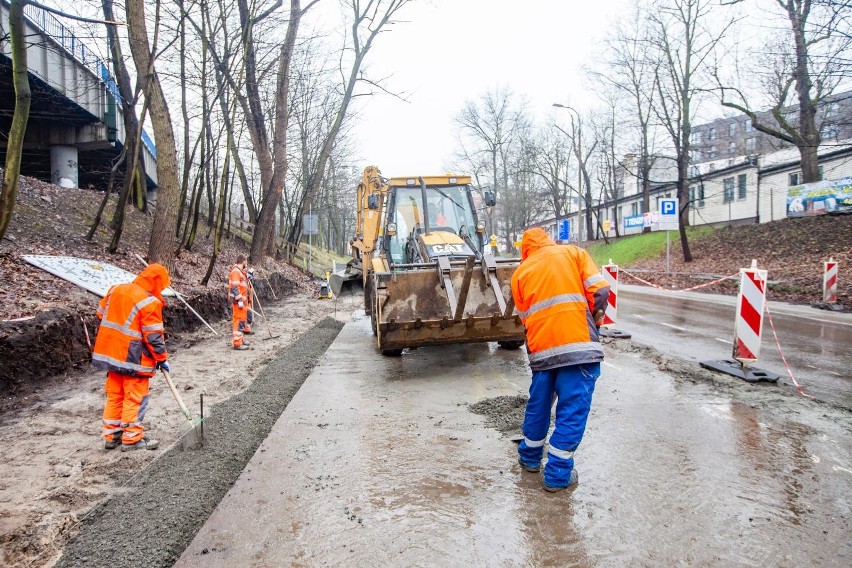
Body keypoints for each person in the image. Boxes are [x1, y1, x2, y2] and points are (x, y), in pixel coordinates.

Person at [510, 227, 610, 492]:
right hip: (578, 348)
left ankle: (529, 458)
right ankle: (556, 476)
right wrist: (592, 318)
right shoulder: (574, 254)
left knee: (538, 405)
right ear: (548, 240)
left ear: (525, 249)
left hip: (542, 352)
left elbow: (525, 317)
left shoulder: (520, 273)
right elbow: (600, 292)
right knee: (571, 411)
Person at [92, 263, 171, 451]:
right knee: (135, 397)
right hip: (133, 357)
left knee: (115, 395)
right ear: (156, 282)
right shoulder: (148, 302)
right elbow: (153, 336)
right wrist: (161, 358)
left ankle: (111, 435)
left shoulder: (115, 290)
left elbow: (100, 313)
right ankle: (132, 438)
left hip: (110, 353)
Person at [228, 255, 251, 350]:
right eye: (246, 263)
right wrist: (240, 300)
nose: (247, 265)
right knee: (239, 321)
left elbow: (243, 286)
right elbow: (234, 287)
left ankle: (241, 340)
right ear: (243, 262)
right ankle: (237, 343)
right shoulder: (236, 272)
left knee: (242, 321)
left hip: (242, 302)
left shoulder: (240, 272)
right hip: (239, 302)